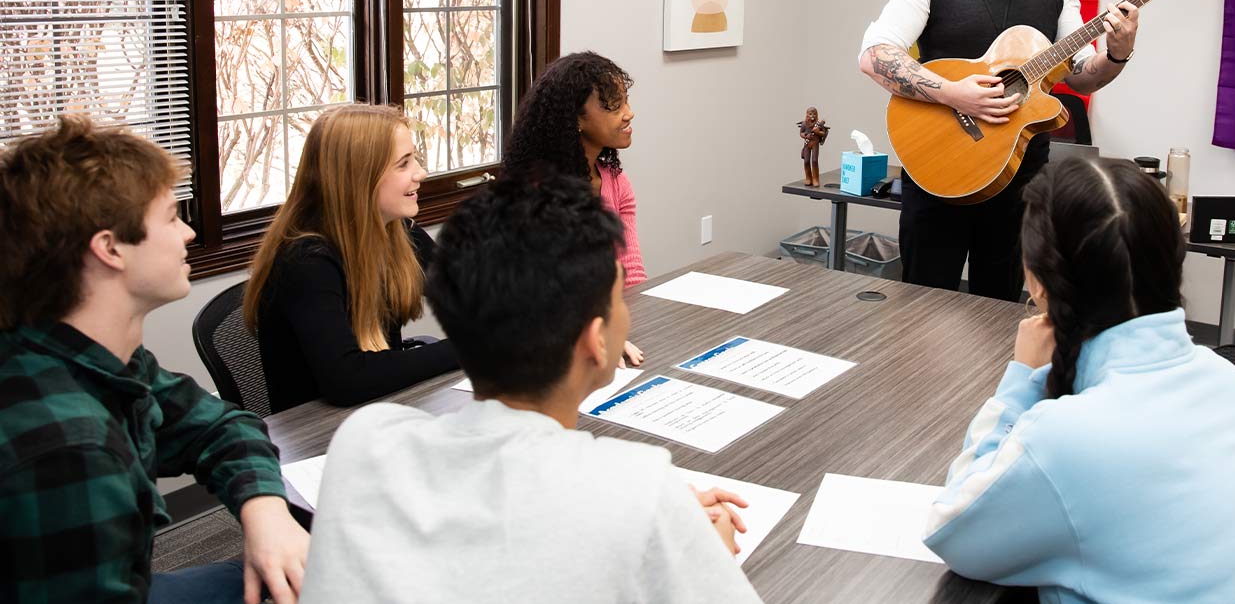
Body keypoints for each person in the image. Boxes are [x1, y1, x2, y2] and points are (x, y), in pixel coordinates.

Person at [298, 173, 761, 604]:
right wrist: (701, 548)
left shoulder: (363, 442)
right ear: (594, 340)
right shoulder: (641, 484)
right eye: (619, 297)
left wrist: (656, 516)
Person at [923, 158, 1235, 603]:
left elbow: (953, 528)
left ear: (1038, 281)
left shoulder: (1068, 435)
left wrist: (1021, 379)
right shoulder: (1227, 378)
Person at [0, 117, 309, 604]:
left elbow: (220, 426)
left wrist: (265, 511)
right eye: (170, 217)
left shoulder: (97, 356)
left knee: (291, 570)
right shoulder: (68, 446)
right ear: (110, 249)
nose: (188, 233)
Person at [859, 0, 1140, 303]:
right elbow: (875, 55)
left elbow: (1083, 77)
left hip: (1019, 179)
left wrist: (1119, 52)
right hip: (939, 172)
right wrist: (954, 94)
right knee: (920, 311)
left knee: (1001, 311)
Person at [244, 104, 457, 412]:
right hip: (316, 438)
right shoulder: (306, 262)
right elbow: (348, 379)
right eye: (403, 164)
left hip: (381, 414)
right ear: (359, 178)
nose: (420, 173)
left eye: (415, 159)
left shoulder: (398, 232)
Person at [506, 51, 645, 365]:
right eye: (613, 105)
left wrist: (626, 324)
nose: (629, 114)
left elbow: (631, 272)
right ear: (574, 119)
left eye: (626, 101)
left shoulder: (616, 183)